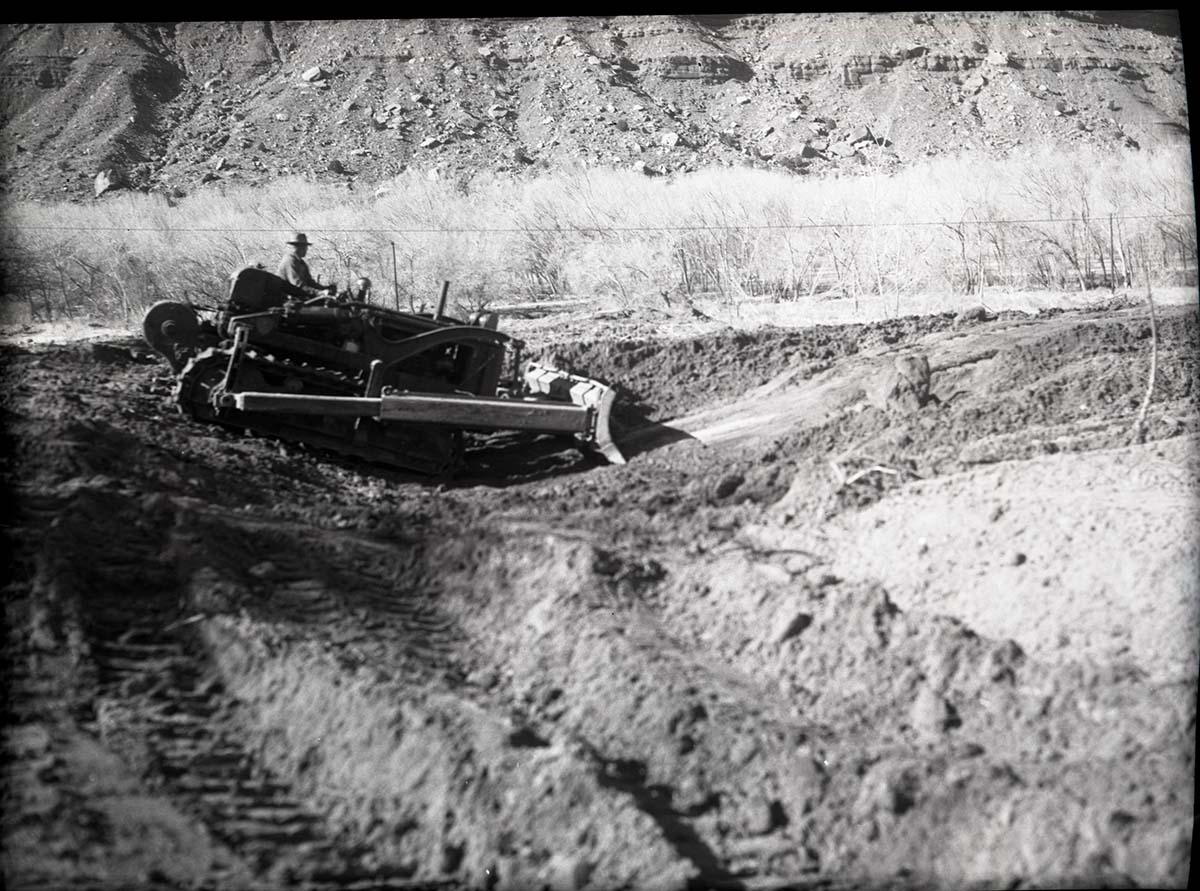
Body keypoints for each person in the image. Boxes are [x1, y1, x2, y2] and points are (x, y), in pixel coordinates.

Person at [277, 233, 336, 297]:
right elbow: (298, 285)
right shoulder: (289, 261)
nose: (306, 249)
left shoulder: (301, 263)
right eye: (304, 247)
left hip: (298, 296)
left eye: (305, 247)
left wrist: (325, 288)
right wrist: (319, 293)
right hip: (287, 298)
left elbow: (310, 282)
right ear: (297, 247)